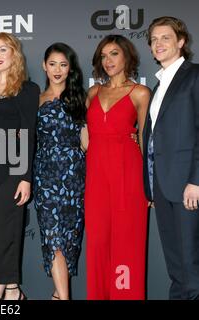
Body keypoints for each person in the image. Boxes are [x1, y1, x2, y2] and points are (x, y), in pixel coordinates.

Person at [84, 34, 150, 300]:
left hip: (128, 175)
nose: (108, 60)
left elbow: (146, 138)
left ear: (126, 56)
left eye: (114, 54)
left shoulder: (140, 92)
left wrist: (149, 182)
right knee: (98, 242)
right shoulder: (93, 92)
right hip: (96, 175)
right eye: (104, 55)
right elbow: (86, 134)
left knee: (127, 242)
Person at [0, 32, 39, 300]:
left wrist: (25, 177)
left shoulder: (26, 89)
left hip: (13, 168)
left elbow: (28, 132)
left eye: (3, 50)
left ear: (14, 53)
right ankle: (12, 289)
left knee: (6, 227)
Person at [143, 16, 199, 300]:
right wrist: (150, 186)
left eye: (166, 37)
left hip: (188, 185)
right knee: (176, 265)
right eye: (154, 39)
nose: (158, 43)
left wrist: (196, 181)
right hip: (163, 187)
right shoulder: (158, 86)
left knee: (191, 265)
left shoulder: (195, 75)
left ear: (181, 41)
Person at [33, 43, 86, 300]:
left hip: (75, 176)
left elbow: (87, 142)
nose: (57, 70)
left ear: (70, 68)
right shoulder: (35, 99)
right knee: (52, 236)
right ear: (44, 66)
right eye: (52, 64)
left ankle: (57, 294)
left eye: (63, 65)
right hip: (45, 176)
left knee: (69, 240)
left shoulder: (80, 99)